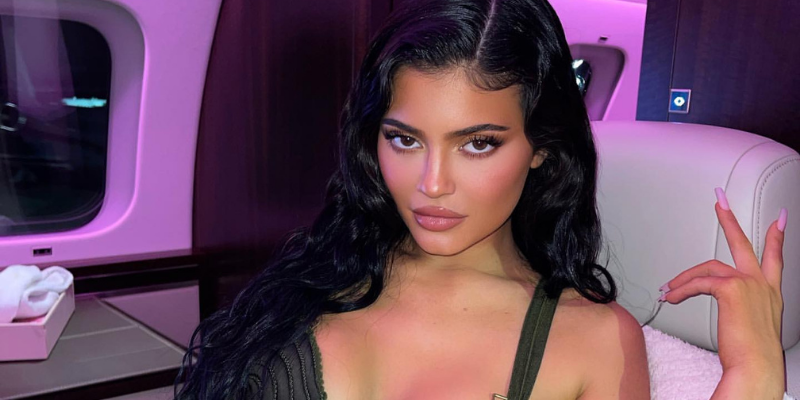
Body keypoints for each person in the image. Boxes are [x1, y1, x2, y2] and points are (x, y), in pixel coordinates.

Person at [174, 0, 788, 398]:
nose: (431, 183)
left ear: (541, 147)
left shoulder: (594, 339)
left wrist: (753, 373)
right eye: (404, 139)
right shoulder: (311, 272)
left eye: (478, 144)